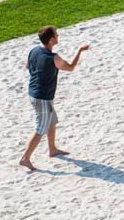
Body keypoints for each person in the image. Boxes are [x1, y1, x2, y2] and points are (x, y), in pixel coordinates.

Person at [19, 26, 90, 171]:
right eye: (56, 35)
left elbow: (27, 66)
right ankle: (25, 158)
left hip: (34, 93)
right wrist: (79, 51)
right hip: (42, 97)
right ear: (51, 39)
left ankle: (52, 149)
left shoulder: (34, 50)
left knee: (52, 121)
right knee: (40, 128)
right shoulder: (53, 57)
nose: (58, 36)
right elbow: (70, 67)